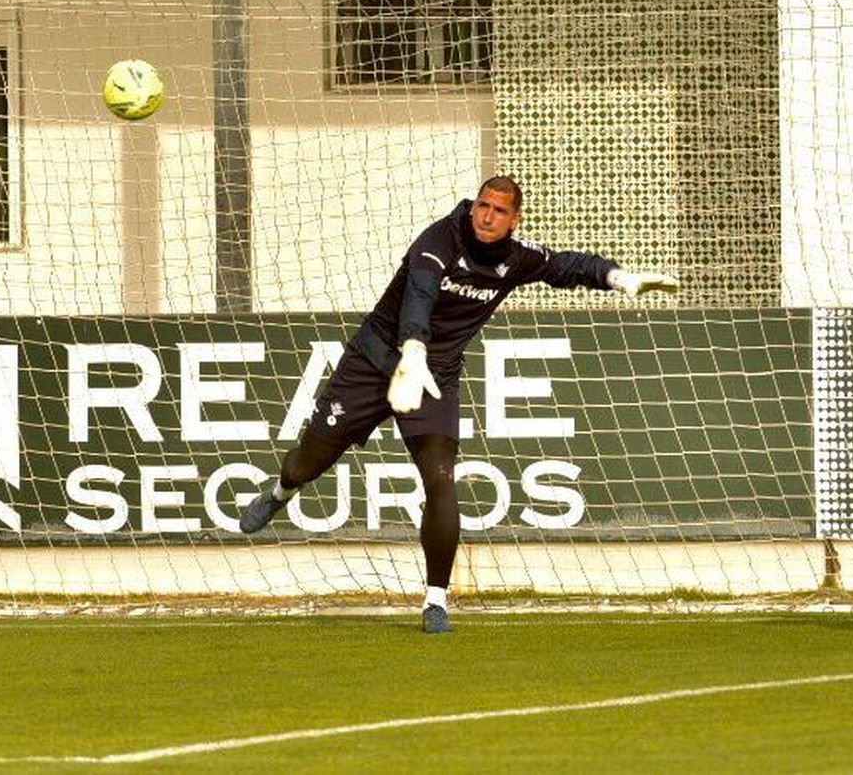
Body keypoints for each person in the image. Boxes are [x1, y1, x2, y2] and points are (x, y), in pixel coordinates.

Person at [239, 176, 680, 632]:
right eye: (483, 206)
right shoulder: (438, 240)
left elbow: (567, 266)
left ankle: (436, 601)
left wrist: (619, 277)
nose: (488, 217)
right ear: (474, 207)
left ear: (514, 219)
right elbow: (421, 293)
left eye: (500, 211)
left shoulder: (516, 258)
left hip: (435, 379)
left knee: (441, 478)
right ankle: (280, 493)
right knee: (306, 463)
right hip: (375, 364)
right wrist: (412, 348)